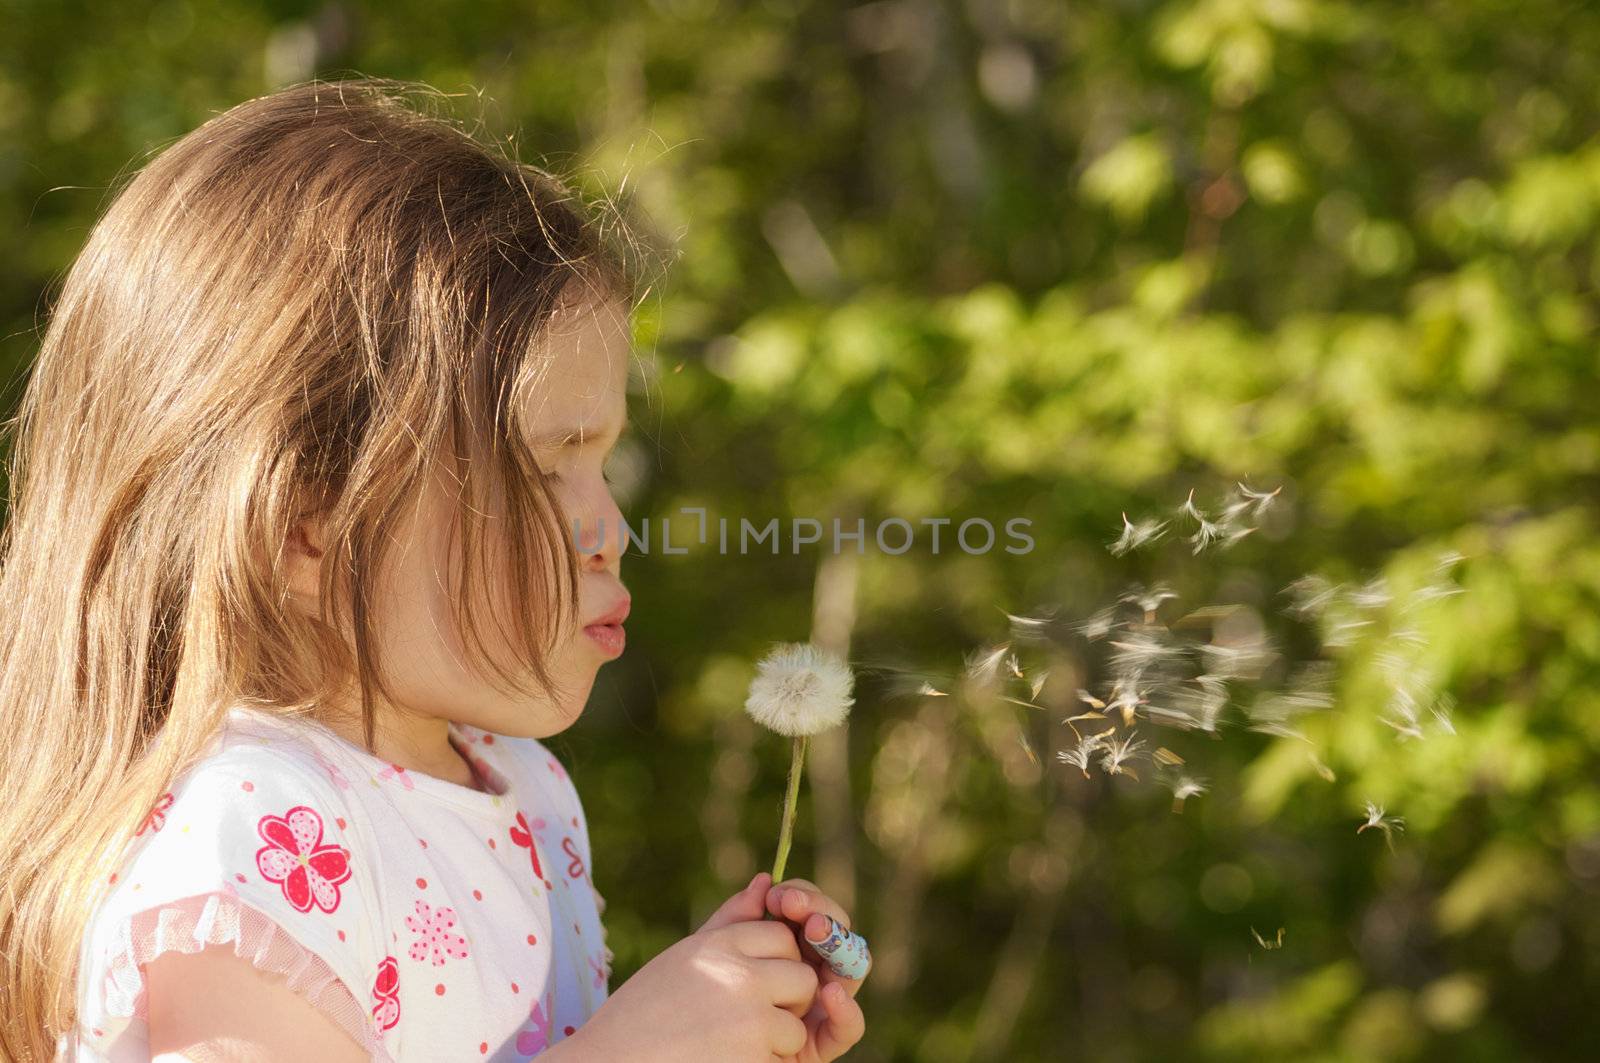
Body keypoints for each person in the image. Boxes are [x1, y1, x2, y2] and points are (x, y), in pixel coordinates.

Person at [0, 77, 867, 1062]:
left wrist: (715, 1018)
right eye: (548, 469)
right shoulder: (255, 835)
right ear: (304, 526)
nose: (610, 528)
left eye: (605, 463)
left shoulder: (523, 789)